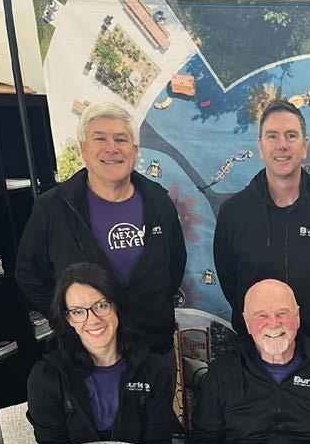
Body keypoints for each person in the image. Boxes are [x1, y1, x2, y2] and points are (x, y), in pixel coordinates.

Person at [16, 102, 187, 378]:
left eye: (121, 139)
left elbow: (175, 265)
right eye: (100, 139)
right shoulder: (54, 208)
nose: (112, 148)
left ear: (135, 150)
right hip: (86, 352)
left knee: (158, 408)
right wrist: (70, 318)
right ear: (83, 149)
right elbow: (28, 273)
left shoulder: (159, 202)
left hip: (152, 347)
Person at [213, 99, 310, 345]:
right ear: (260, 146)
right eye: (272, 136)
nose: (282, 145)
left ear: (304, 146)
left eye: (291, 135)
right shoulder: (233, 213)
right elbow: (230, 283)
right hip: (254, 349)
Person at [191, 279, 310, 444]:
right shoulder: (223, 371)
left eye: (282, 313)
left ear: (297, 317)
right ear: (247, 322)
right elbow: (204, 440)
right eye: (261, 315)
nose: (273, 324)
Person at [27, 263, 175, 444]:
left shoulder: (153, 370)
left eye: (101, 305)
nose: (93, 320)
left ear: (116, 306)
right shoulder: (46, 376)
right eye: (78, 312)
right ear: (68, 319)